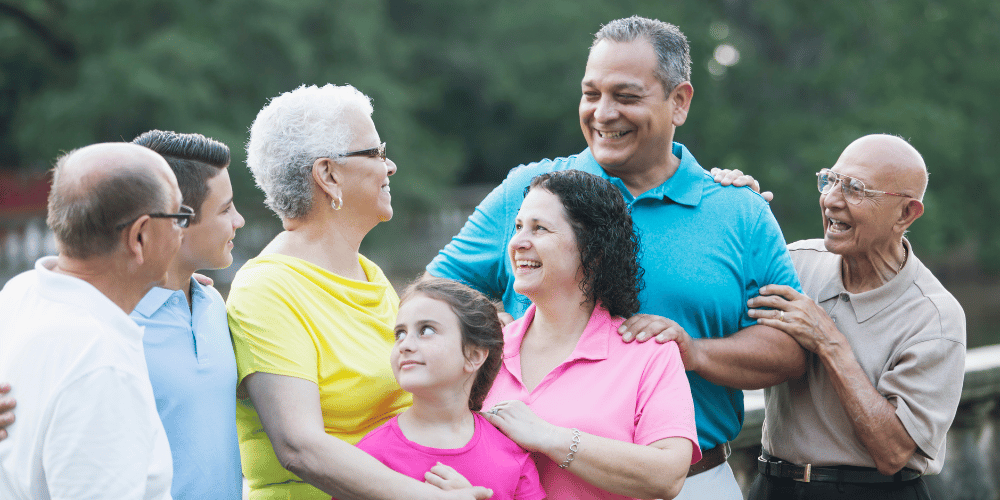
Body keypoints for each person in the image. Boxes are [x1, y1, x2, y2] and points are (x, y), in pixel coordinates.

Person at [426, 16, 804, 498]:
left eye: (626, 97)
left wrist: (695, 352)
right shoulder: (527, 194)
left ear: (679, 102)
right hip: (531, 482)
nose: (603, 113)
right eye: (591, 94)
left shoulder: (738, 211)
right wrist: (494, 330)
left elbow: (791, 351)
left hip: (687, 482)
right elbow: (436, 300)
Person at [227, 83, 491, 500]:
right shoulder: (266, 290)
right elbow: (300, 447)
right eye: (376, 153)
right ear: (328, 175)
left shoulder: (368, 274)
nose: (391, 167)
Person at [743, 135, 966, 498]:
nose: (831, 200)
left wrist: (829, 343)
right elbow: (717, 321)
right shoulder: (794, 263)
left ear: (906, 213)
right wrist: (732, 206)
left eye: (854, 189)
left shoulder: (935, 317)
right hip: (771, 486)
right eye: (830, 180)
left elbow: (893, 454)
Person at [479, 170, 699, 500]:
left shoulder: (648, 354)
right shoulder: (485, 350)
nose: (518, 242)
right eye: (518, 227)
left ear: (593, 252)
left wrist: (550, 437)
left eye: (539, 228)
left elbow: (667, 476)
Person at [0, 143, 184, 499]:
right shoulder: (101, 365)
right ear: (140, 236)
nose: (182, 231)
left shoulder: (19, 295)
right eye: (179, 217)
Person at [344, 277, 545, 500]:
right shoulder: (368, 457)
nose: (405, 345)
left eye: (426, 330)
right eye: (400, 333)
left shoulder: (510, 452)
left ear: (474, 355)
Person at [129, 130, 246, 499]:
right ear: (176, 223)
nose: (238, 220)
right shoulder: (109, 324)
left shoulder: (214, 307)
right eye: (226, 209)